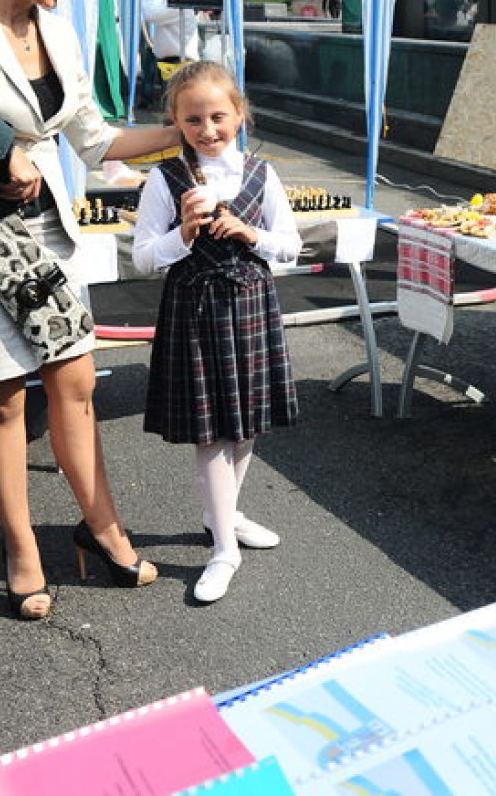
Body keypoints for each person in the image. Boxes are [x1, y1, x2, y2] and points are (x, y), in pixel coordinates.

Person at [0, 0, 181, 619]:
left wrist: (189, 129)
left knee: (74, 383)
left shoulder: (62, 32)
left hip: (49, 229)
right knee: (4, 398)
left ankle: (102, 525)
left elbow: (96, 137)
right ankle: (20, 547)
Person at [132, 61, 301, 604]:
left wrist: (252, 233)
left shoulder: (261, 174)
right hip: (193, 308)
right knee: (210, 432)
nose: (207, 130)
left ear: (239, 114)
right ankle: (223, 547)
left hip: (250, 304)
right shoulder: (164, 179)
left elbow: (292, 246)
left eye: (218, 117)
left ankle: (220, 514)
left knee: (245, 424)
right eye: (193, 119)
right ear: (176, 122)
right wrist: (182, 233)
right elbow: (141, 259)